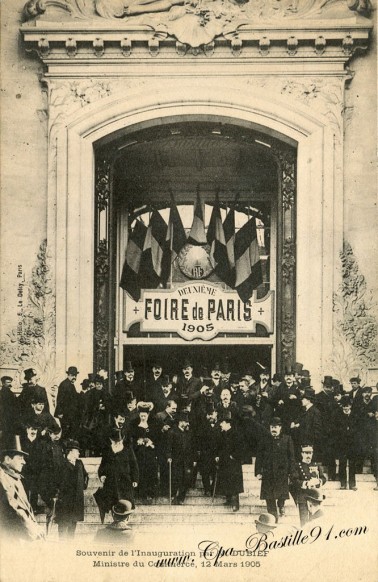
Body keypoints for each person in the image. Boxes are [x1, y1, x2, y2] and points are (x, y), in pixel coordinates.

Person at [0, 435, 45, 541]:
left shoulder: (14, 477)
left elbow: (25, 508)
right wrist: (32, 530)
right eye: (20, 458)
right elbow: (13, 509)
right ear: (7, 459)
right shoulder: (3, 478)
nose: (24, 462)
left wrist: (35, 526)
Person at [255, 417, 296, 521]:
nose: (273, 429)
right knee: (269, 497)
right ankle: (273, 518)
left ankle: (281, 504)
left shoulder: (287, 439)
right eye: (272, 427)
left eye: (276, 427)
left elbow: (291, 457)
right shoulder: (264, 439)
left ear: (280, 428)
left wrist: (292, 472)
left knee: (282, 494)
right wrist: (258, 471)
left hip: (282, 472)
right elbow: (259, 456)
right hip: (268, 472)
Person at [95, 429, 139, 523]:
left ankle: (125, 520)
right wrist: (102, 475)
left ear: (122, 440)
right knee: (113, 501)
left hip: (125, 481)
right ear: (111, 440)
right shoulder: (108, 450)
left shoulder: (128, 449)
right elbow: (102, 466)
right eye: (115, 442)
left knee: (126, 501)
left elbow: (134, 465)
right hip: (111, 482)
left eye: (119, 442)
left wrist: (135, 479)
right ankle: (115, 520)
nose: (117, 443)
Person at [55, 440, 88, 539]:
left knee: (73, 526)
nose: (79, 453)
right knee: (63, 526)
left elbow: (86, 476)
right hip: (65, 502)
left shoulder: (79, 463)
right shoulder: (61, 464)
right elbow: (56, 481)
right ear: (71, 451)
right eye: (77, 451)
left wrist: (83, 486)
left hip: (77, 500)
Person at [290, 444, 327, 526]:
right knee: (303, 520)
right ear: (302, 454)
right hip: (303, 496)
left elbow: (323, 478)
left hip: (314, 497)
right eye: (306, 453)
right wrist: (306, 483)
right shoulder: (297, 466)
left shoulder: (316, 466)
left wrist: (318, 481)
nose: (308, 455)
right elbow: (294, 480)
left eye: (310, 453)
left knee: (315, 520)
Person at [215, 410, 244, 512]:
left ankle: (235, 504)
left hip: (233, 463)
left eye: (222, 423)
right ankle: (228, 499)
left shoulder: (236, 434)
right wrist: (218, 456)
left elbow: (241, 448)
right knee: (225, 481)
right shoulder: (222, 434)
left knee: (234, 484)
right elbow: (219, 447)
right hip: (224, 462)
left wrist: (234, 456)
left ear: (227, 423)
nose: (220, 425)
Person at [166, 411, 196, 505]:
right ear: (180, 422)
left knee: (186, 479)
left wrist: (194, 459)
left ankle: (181, 498)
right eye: (185, 422)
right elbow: (168, 446)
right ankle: (173, 496)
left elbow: (192, 448)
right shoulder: (172, 432)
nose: (187, 424)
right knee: (176, 478)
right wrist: (169, 456)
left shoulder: (189, 433)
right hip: (176, 460)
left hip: (187, 461)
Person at [131, 403, 159, 504]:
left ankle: (149, 494)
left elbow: (157, 438)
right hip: (138, 454)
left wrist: (151, 443)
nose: (143, 417)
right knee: (140, 471)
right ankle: (139, 493)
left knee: (150, 472)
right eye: (141, 416)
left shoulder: (153, 425)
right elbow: (131, 439)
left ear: (148, 415)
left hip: (150, 454)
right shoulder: (135, 425)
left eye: (145, 416)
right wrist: (137, 442)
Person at [290, 388, 322, 460]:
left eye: (303, 399)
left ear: (308, 400)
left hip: (309, 443)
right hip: (303, 441)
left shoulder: (315, 412)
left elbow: (316, 429)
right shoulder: (305, 410)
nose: (301, 400)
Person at [54, 366, 81, 440]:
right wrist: (60, 412)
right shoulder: (64, 384)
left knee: (69, 432)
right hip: (65, 414)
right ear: (68, 375)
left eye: (75, 375)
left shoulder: (71, 384)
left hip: (70, 414)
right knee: (65, 432)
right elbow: (60, 399)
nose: (74, 377)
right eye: (72, 375)